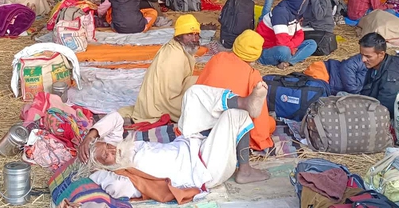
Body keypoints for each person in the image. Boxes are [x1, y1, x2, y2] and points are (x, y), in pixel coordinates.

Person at [76, 83, 271, 201]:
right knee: (233, 116)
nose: (111, 151)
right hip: (205, 167)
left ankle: (244, 101)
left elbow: (116, 119)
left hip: (192, 142)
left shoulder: (121, 148)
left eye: (108, 146)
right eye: (105, 156)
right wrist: (95, 172)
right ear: (103, 167)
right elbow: (117, 189)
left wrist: (91, 136)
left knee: (193, 94)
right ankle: (244, 170)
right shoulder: (125, 177)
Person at [196, 30, 275, 150]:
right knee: (270, 123)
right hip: (229, 128)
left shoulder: (217, 58)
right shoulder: (253, 75)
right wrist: (261, 138)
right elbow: (258, 116)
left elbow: (199, 87)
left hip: (202, 124)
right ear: (256, 54)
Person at [130, 15, 201, 123]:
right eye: (189, 34)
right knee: (202, 103)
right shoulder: (175, 56)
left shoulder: (177, 47)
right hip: (163, 104)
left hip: (166, 95)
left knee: (202, 81)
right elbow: (170, 94)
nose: (194, 39)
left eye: (196, 35)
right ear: (179, 36)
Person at [255, 0, 318, 69]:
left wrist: (292, 46)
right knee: (284, 51)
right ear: (299, 3)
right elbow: (281, 41)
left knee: (311, 44)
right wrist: (292, 49)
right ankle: (293, 58)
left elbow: (300, 34)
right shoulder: (280, 13)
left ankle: (288, 62)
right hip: (268, 49)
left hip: (287, 46)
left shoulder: (294, 12)